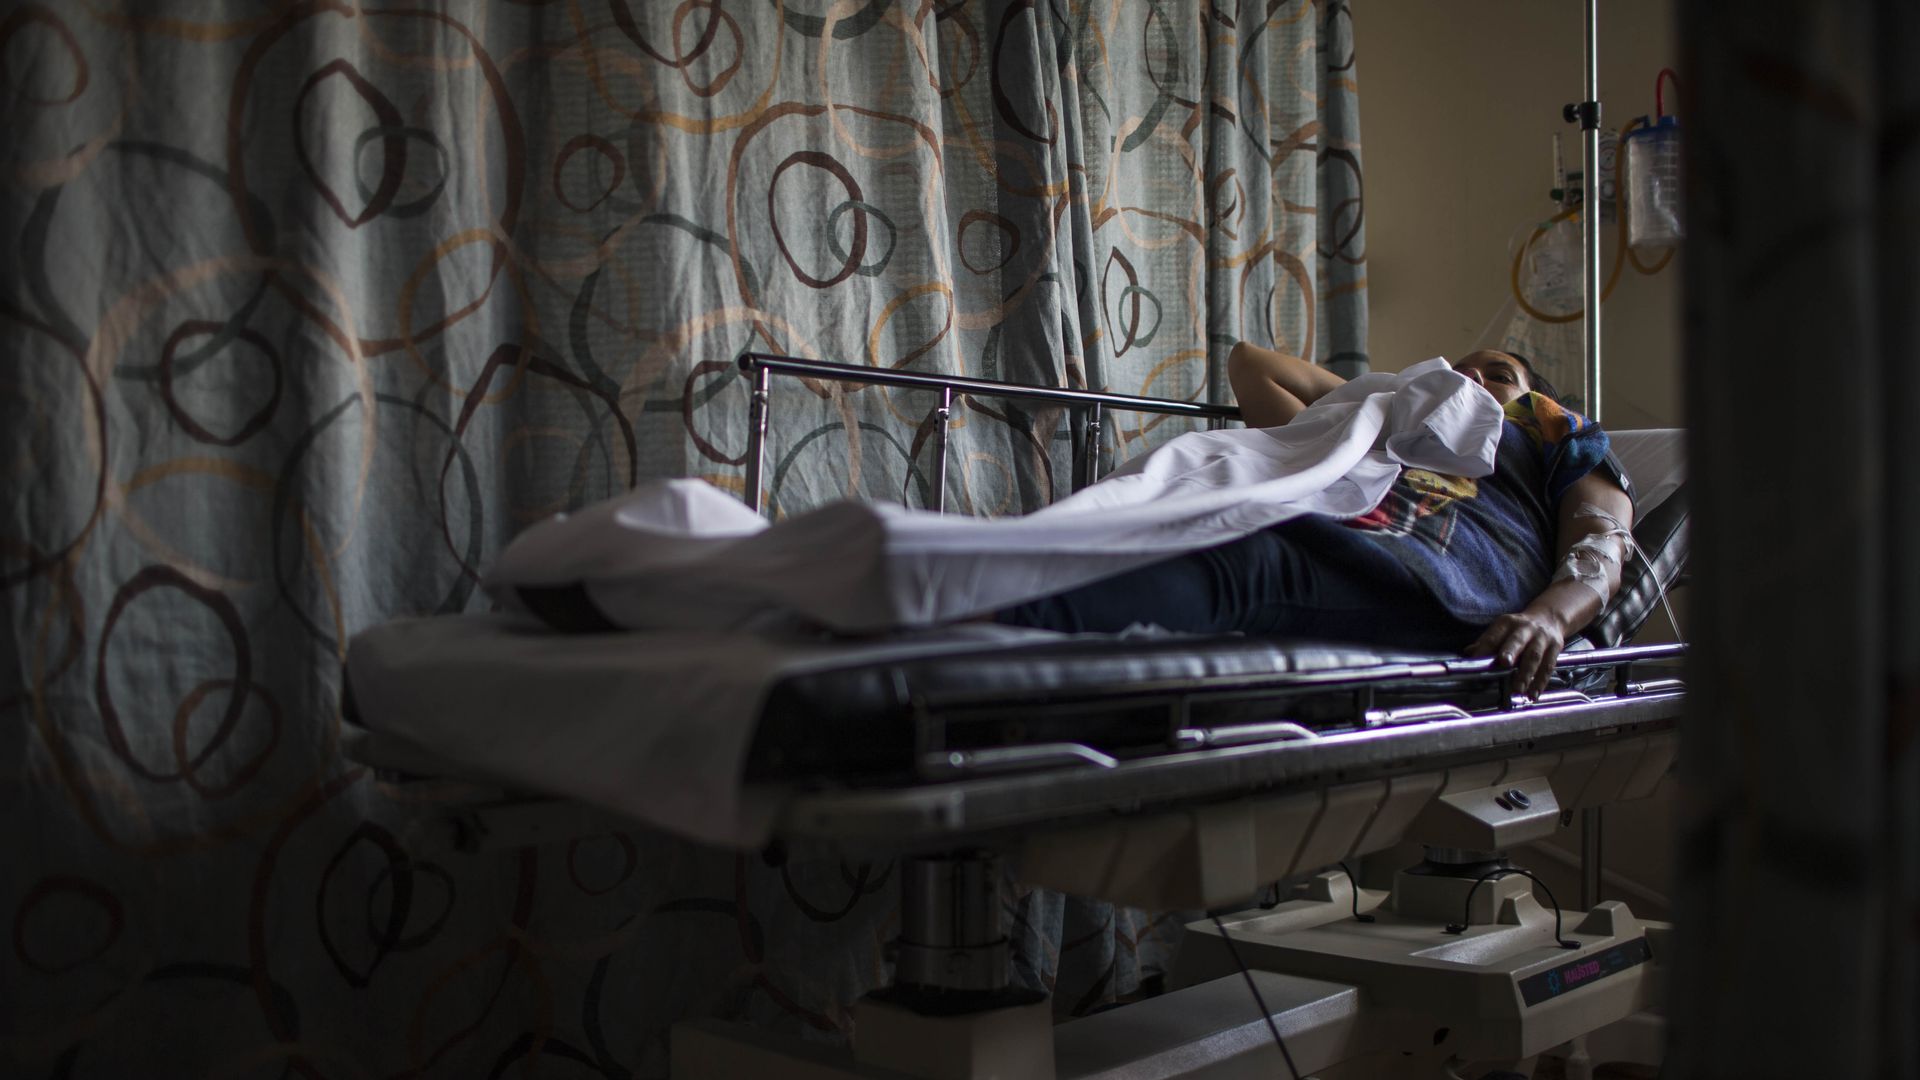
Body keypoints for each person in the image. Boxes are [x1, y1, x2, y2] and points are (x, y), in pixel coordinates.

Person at [995, 343, 1634, 699]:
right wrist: (1385, 393)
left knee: (1246, 565)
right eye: (1457, 367)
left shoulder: (1551, 425)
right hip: (1336, 521)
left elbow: (1604, 541)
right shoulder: (1384, 419)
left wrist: (1551, 616)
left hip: (1436, 568)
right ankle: (979, 600)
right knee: (1190, 531)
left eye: (1498, 375)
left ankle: (970, 625)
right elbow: (1252, 364)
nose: (1470, 377)